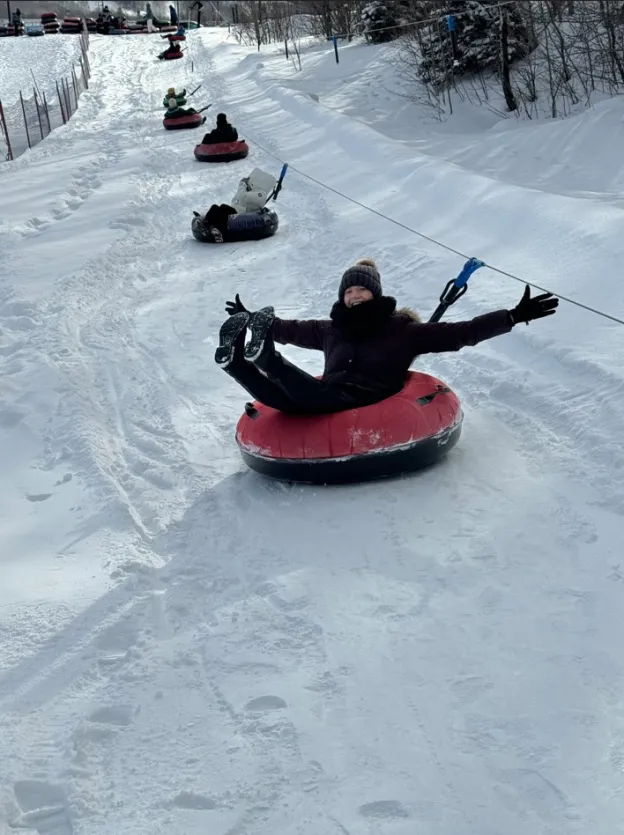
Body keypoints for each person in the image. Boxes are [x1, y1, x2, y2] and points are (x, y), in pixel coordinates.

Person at [214, 257, 559, 415]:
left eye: (361, 290)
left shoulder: (402, 330)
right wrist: (252, 317)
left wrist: (512, 316)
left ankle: (265, 357)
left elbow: (462, 333)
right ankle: (237, 362)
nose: (354, 296)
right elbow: (288, 329)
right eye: (348, 291)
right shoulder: (331, 328)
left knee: (314, 397)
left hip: (362, 402)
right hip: (324, 396)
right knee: (283, 402)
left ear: (375, 293)